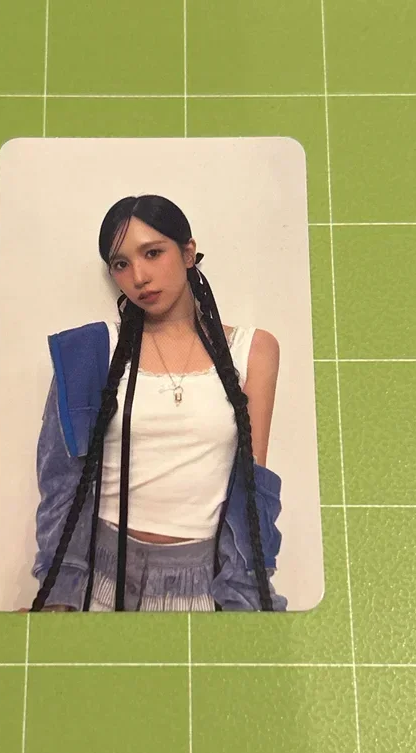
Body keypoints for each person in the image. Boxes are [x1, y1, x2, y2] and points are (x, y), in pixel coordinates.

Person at [25, 194, 287, 613]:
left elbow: (253, 489)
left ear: (188, 252)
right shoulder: (90, 352)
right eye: (121, 264)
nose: (139, 277)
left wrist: (246, 598)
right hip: (99, 584)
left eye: (152, 253)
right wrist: (58, 597)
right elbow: (60, 483)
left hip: (204, 589)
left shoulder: (252, 350)